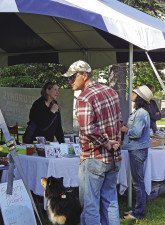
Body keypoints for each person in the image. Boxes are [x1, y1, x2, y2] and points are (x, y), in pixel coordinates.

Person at [63, 60, 122, 225]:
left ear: (84, 75)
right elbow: (119, 122)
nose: (70, 81)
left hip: (93, 157)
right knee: (110, 201)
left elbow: (88, 129)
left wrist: (107, 142)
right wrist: (115, 142)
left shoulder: (84, 97)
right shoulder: (111, 92)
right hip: (114, 157)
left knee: (90, 205)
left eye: (73, 77)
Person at [121, 85, 153, 220]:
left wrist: (124, 129)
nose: (132, 93)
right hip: (136, 149)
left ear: (139, 97)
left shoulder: (140, 113)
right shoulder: (139, 112)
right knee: (137, 181)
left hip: (137, 150)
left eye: (135, 92)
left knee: (138, 183)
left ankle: (138, 212)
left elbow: (136, 133)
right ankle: (137, 209)